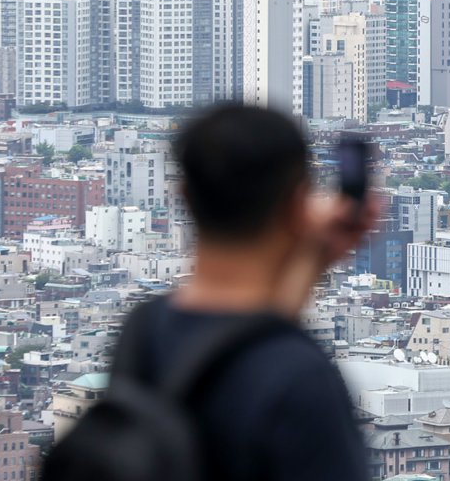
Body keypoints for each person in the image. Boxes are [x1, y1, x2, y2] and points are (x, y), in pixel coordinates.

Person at [113, 104, 376, 481]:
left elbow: (239, 338)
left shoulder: (143, 331)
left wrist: (311, 259)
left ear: (184, 194)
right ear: (299, 204)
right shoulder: (302, 380)